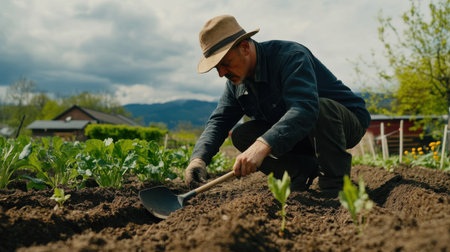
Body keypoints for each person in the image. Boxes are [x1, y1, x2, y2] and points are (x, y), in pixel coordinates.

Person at [184, 15, 370, 192]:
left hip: (345, 124)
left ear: (244, 48)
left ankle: (334, 185)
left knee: (320, 107)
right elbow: (218, 122)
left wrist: (262, 145)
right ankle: (300, 172)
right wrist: (198, 160)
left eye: (225, 63)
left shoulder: (290, 57)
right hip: (302, 135)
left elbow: (304, 109)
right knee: (242, 135)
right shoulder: (236, 82)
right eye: (217, 68)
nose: (221, 73)